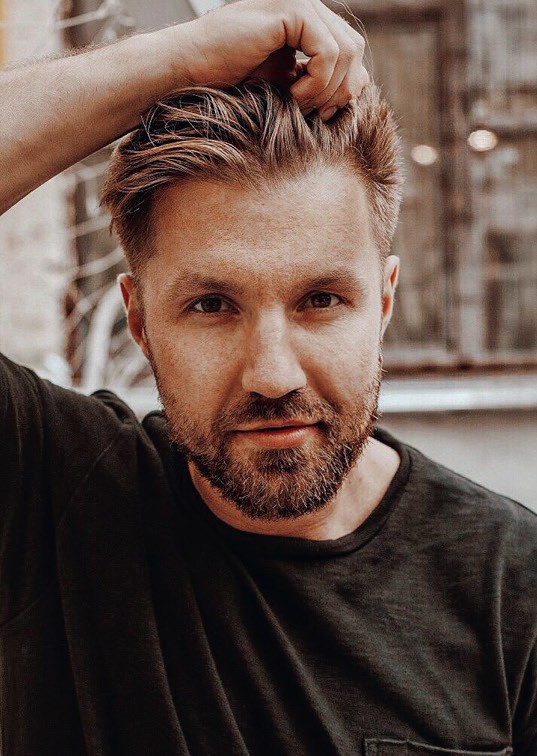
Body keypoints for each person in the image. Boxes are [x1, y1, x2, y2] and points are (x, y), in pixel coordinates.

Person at [0, 1, 535, 754]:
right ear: (140, 320)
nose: (273, 375)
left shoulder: (512, 588)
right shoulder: (50, 497)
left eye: (322, 300)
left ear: (382, 303)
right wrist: (180, 58)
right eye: (211, 305)